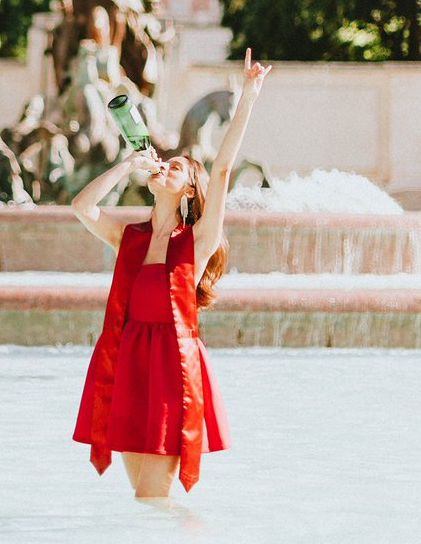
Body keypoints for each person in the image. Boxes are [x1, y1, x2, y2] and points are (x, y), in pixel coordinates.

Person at [71, 47, 272, 502]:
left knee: (152, 498)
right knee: (144, 503)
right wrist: (126, 166)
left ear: (187, 191)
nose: (166, 165)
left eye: (177, 167)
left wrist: (248, 95)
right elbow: (81, 208)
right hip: (128, 367)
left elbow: (221, 171)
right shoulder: (132, 237)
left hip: (171, 374)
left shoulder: (195, 242)